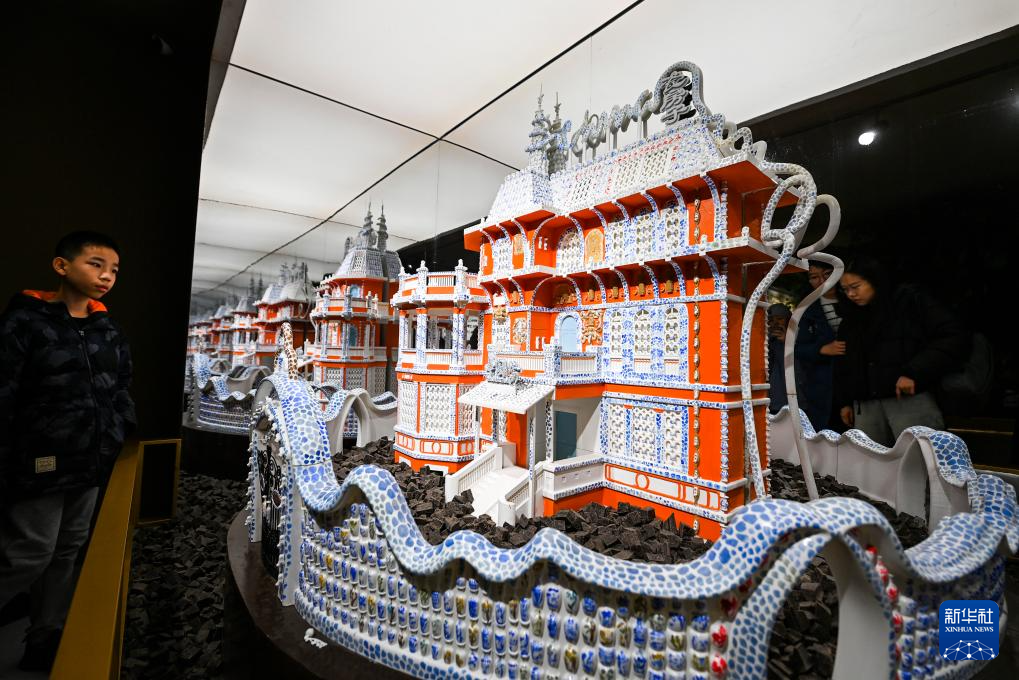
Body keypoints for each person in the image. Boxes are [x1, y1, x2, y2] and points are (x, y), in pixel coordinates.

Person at [0, 231, 135, 671]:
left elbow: (122, 385)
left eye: (114, 270)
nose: (106, 276)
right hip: (38, 460)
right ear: (62, 266)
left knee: (68, 549)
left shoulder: (107, 329)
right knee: (30, 551)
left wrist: (116, 430)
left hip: (90, 459)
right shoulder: (25, 323)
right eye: (96, 264)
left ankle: (45, 634)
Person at [834, 255, 966, 446]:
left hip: (909, 398)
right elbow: (845, 361)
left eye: (855, 286)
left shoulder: (909, 302)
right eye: (845, 289)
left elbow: (952, 335)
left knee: (918, 457)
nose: (851, 294)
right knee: (869, 459)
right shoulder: (851, 317)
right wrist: (845, 401)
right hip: (866, 404)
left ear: (875, 280)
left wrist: (915, 371)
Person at [794, 262, 845, 431]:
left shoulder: (853, 300)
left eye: (827, 273)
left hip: (853, 381)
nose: (822, 281)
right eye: (814, 277)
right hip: (822, 386)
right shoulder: (805, 310)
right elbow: (795, 348)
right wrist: (820, 349)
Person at [767, 303, 791, 414]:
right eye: (771, 320)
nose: (775, 323)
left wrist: (787, 341)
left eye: (780, 319)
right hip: (771, 400)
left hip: (792, 400)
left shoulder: (798, 340)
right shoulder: (765, 340)